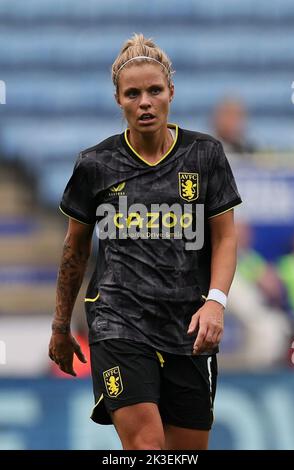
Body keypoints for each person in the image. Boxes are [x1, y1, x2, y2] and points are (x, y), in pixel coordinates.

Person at [48, 33, 242, 450]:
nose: (145, 102)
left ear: (171, 91)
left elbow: (225, 237)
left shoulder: (205, 154)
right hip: (118, 321)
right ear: (118, 100)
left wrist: (216, 302)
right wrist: (61, 326)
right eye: (132, 93)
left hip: (189, 326)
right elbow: (74, 250)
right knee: (147, 448)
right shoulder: (95, 165)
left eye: (154, 90)